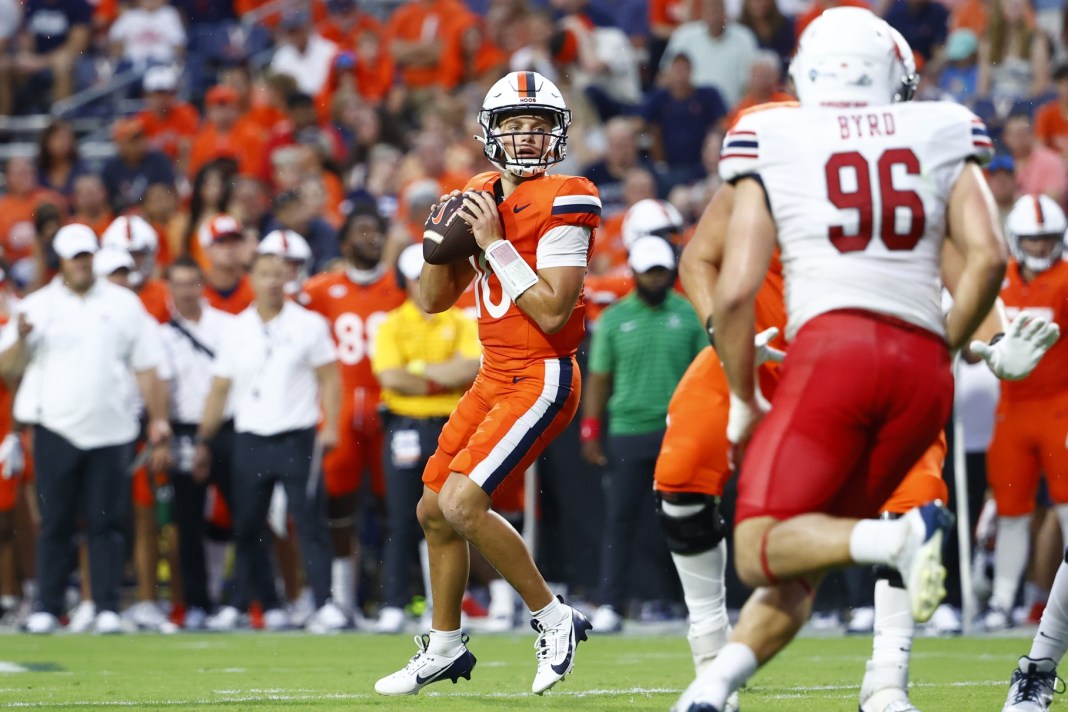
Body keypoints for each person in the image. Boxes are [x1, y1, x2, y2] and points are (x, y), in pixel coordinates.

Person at [673, 9, 1007, 711]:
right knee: (808, 543)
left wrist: (742, 391)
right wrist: (962, 344)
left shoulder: (773, 137)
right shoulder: (939, 127)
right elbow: (984, 261)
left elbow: (734, 287)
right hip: (911, 357)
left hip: (829, 353)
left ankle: (890, 602)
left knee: (763, 545)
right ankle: (713, 684)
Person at [375, 71, 599, 696]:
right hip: (495, 373)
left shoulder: (568, 195)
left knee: (462, 504)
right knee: (431, 509)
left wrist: (495, 244)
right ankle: (444, 646)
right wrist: (439, 245)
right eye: (514, 126)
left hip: (544, 371)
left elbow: (554, 311)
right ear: (490, 133)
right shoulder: (476, 190)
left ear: (558, 134)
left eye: (539, 127)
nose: (527, 138)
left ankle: (555, 620)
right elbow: (431, 301)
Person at [0, 224, 172, 635]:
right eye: (76, 258)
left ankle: (107, 606)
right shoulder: (36, 307)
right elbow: (7, 370)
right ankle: (48, 606)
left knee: (107, 522)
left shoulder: (124, 303)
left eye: (88, 257)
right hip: (55, 427)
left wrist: (159, 417)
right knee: (56, 522)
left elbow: (147, 366)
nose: (83, 265)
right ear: (61, 260)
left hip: (112, 428)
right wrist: (22, 340)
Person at [193, 252, 346, 633]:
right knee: (246, 525)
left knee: (308, 522)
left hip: (297, 435)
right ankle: (249, 602)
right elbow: (219, 387)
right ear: (252, 279)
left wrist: (331, 427)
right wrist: (203, 438)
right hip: (250, 436)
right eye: (265, 274)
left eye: (279, 275)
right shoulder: (236, 328)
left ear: (289, 279)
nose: (273, 282)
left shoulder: (309, 324)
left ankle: (323, 602)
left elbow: (330, 377)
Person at [581, 235, 705, 632]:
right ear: (633, 273)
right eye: (649, 272)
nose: (656, 279)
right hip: (628, 431)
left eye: (662, 272)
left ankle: (697, 604)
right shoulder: (614, 319)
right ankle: (611, 604)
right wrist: (590, 430)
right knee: (620, 519)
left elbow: (704, 375)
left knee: (687, 518)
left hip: (679, 431)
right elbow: (599, 379)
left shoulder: (688, 314)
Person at [299, 204, 405, 619]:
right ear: (343, 242)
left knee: (393, 502)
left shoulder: (399, 287)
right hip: (340, 401)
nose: (370, 238)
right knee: (338, 503)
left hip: (387, 401)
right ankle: (341, 598)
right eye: (361, 230)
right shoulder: (322, 289)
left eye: (375, 230)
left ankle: (392, 596)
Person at [370, 244, 481, 633]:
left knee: (455, 515)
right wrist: (441, 376)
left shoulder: (462, 320)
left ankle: (449, 606)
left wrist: (418, 372)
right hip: (404, 426)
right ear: (407, 283)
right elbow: (390, 378)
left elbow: (471, 368)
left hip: (451, 424)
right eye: (418, 278)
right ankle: (394, 602)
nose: (425, 283)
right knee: (402, 518)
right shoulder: (391, 325)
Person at [983, 194, 1068, 632]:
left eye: (1047, 239)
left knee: (1067, 505)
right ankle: (1001, 601)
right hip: (1011, 410)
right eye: (1032, 240)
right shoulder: (997, 279)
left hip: (1060, 407)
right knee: (1012, 511)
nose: (1039, 247)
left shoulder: (1066, 278)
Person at [158, 257, 236, 630]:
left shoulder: (228, 326)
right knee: (186, 522)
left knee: (245, 515)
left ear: (202, 285)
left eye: (192, 283)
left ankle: (244, 600)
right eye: (179, 283)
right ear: (169, 288)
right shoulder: (162, 334)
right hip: (183, 430)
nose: (186, 290)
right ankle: (196, 603)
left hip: (228, 428)